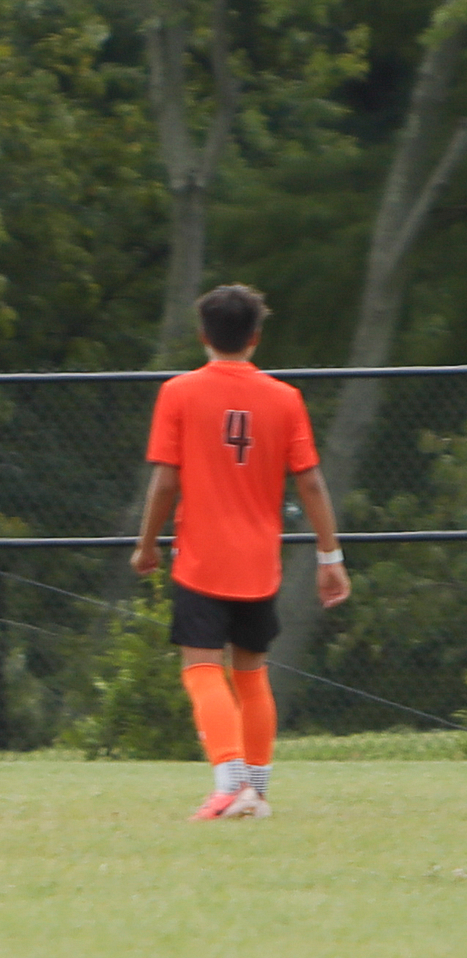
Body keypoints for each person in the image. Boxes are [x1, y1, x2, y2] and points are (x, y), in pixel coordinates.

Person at [131, 284, 350, 820]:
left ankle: (229, 785)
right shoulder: (285, 398)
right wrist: (330, 557)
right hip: (258, 563)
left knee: (201, 668)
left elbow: (165, 482)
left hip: (202, 559)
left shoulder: (179, 393)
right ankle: (256, 791)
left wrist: (146, 544)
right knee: (251, 674)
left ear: (203, 335)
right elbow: (311, 482)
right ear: (255, 337)